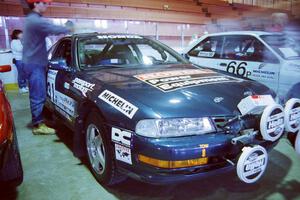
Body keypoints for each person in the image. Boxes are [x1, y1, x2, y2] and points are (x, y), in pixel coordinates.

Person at [23, 0, 73, 135]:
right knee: (38, 95)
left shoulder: (34, 19)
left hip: (35, 62)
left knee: (39, 94)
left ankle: (40, 121)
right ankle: (38, 126)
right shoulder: (35, 20)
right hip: (34, 63)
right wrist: (70, 27)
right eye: (44, 3)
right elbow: (54, 29)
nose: (46, 5)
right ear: (36, 4)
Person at [10, 29, 28, 94]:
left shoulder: (19, 41)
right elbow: (19, 49)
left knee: (24, 73)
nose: (22, 35)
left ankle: (25, 86)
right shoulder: (14, 41)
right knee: (21, 74)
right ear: (16, 35)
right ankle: (21, 87)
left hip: (23, 59)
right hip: (18, 60)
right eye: (21, 34)